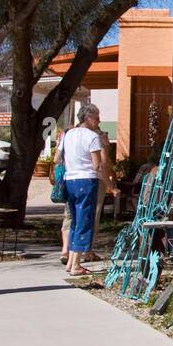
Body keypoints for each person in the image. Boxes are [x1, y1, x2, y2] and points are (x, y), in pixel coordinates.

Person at [58, 103, 107, 276]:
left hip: (69, 179)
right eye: (97, 117)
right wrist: (106, 177)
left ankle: (71, 261)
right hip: (86, 179)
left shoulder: (68, 134)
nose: (99, 121)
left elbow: (58, 157)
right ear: (88, 118)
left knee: (74, 221)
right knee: (85, 221)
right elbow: (97, 164)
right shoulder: (92, 136)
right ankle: (77, 264)